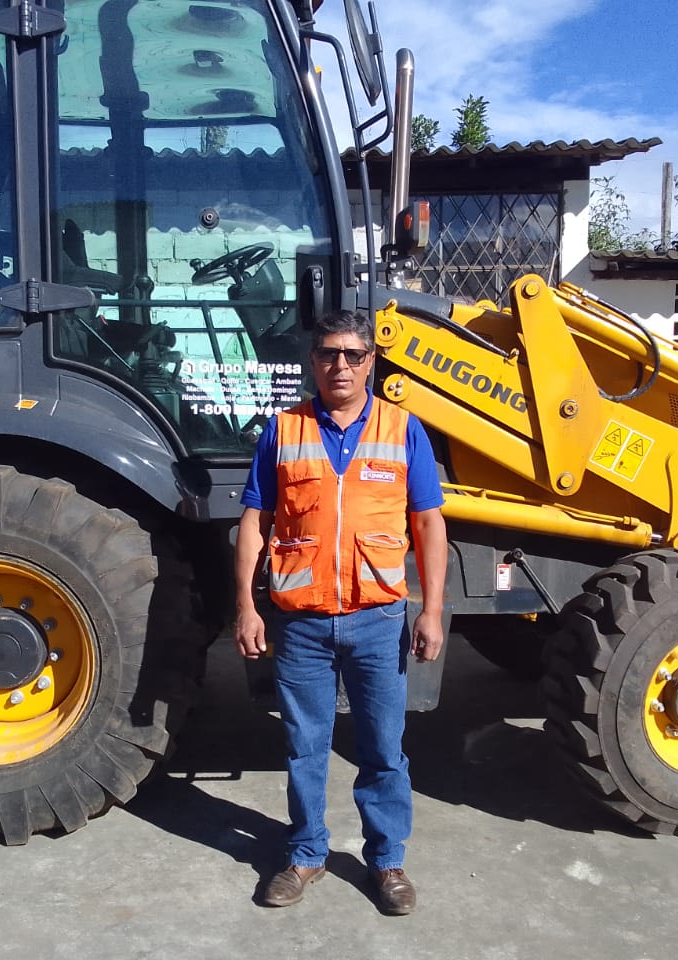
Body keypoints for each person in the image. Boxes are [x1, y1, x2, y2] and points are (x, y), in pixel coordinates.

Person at [233, 308, 447, 916]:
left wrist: (432, 610)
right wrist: (246, 605)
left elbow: (429, 523)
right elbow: (255, 522)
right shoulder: (284, 430)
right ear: (314, 361)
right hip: (300, 622)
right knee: (304, 747)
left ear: (371, 362)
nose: (341, 366)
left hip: (378, 620)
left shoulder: (403, 429)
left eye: (354, 355)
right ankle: (306, 855)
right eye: (329, 354)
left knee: (383, 748)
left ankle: (387, 861)